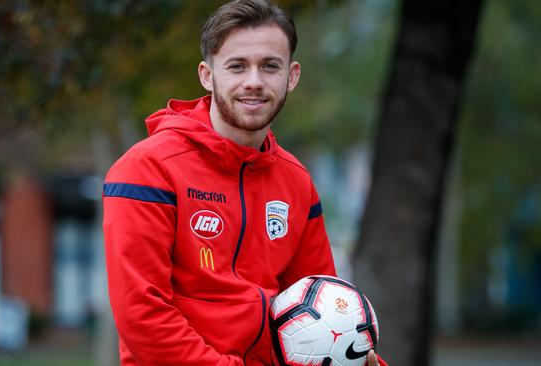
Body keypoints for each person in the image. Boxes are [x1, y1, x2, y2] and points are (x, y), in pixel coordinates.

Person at [103, 1, 386, 365]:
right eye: (237, 66)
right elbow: (142, 316)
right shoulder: (146, 169)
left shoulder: (296, 181)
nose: (254, 81)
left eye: (270, 66)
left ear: (292, 75)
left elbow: (323, 306)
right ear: (207, 75)